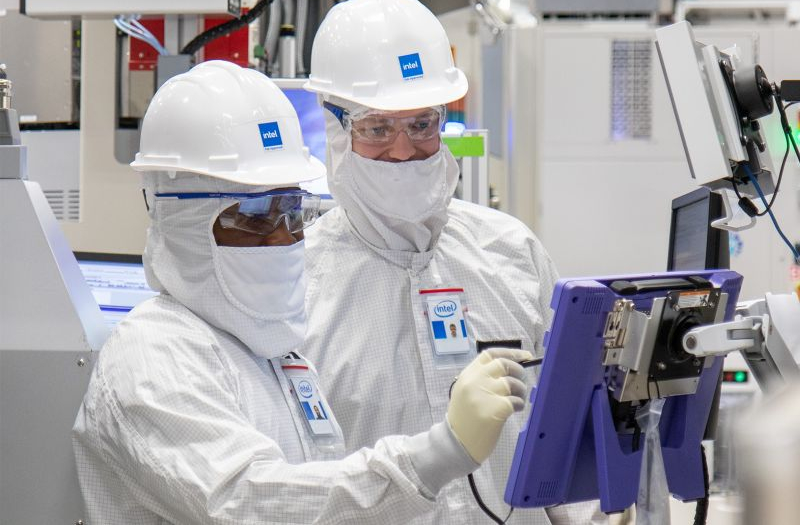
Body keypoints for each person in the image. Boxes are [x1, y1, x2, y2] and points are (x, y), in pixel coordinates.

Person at [72, 60, 535, 524]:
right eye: (253, 216)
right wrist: (439, 452)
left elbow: (326, 498)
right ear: (178, 218)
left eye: (291, 211)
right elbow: (250, 502)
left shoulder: (274, 351)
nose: (282, 239)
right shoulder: (152, 354)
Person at [302, 0, 607, 524]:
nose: (403, 150)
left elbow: (564, 434)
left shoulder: (510, 252)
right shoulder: (298, 286)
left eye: (421, 124)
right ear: (335, 128)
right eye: (377, 127)